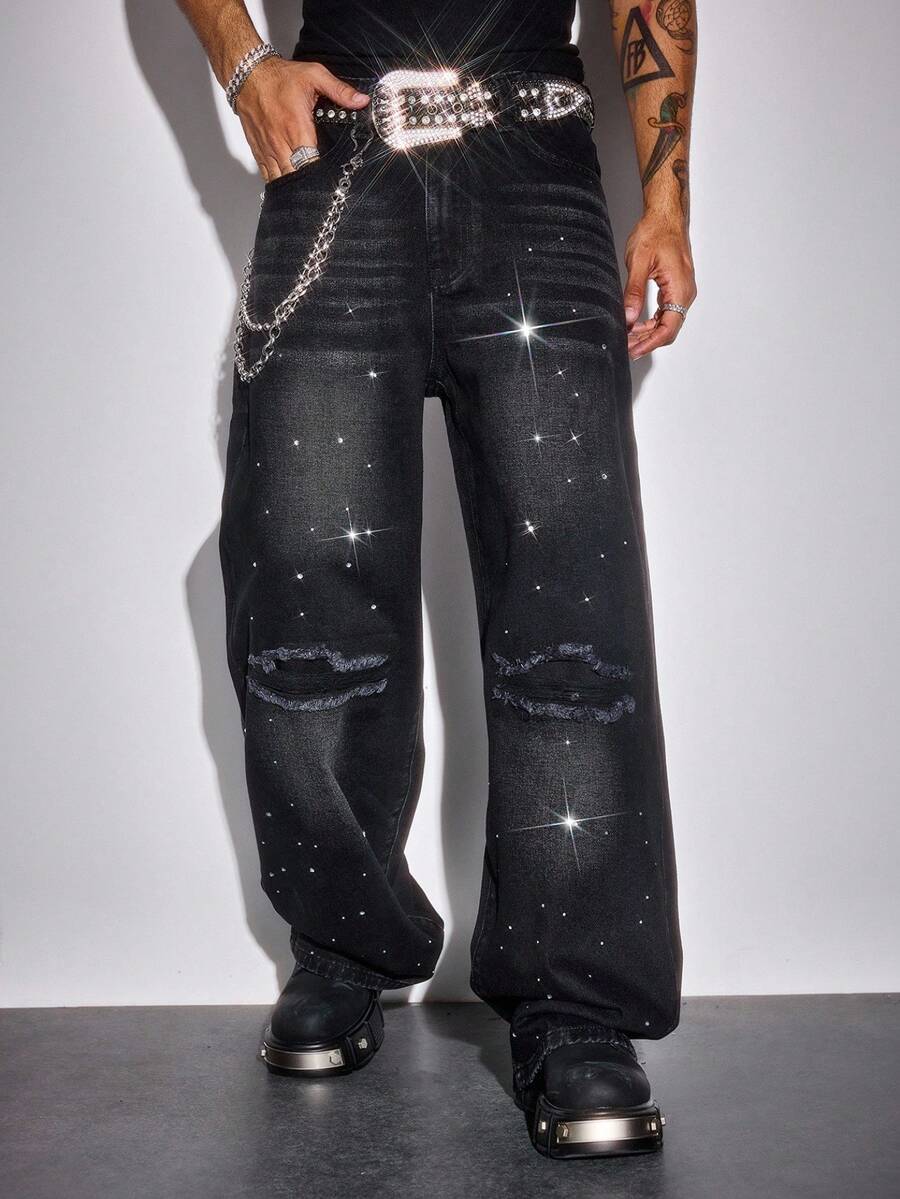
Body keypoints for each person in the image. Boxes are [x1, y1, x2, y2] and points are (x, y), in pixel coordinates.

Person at [177, 0, 696, 1159]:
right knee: (305, 576)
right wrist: (246, 65)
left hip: (538, 160)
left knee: (570, 597)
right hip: (335, 151)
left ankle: (579, 1004)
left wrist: (667, 198)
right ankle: (343, 946)